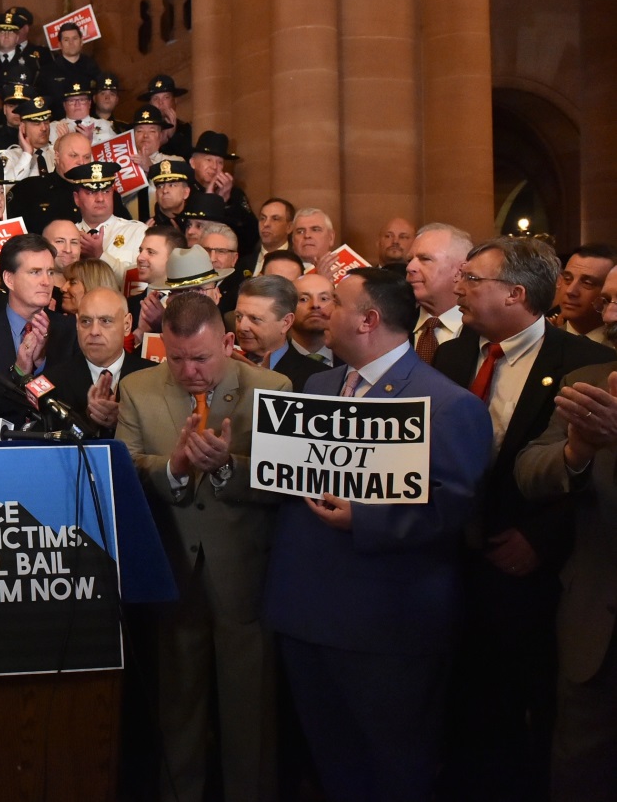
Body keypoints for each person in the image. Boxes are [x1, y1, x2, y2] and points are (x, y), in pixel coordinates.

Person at [264, 267, 492, 802]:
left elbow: (456, 504)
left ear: (368, 319)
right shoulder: (317, 386)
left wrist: (364, 518)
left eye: (334, 303)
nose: (317, 311)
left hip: (386, 627)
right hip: (305, 614)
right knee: (330, 763)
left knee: (392, 768)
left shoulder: (447, 404)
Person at [431, 236, 616, 800]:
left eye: (472, 279)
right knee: (466, 699)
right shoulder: (457, 352)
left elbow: (590, 481)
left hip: (535, 570)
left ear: (514, 293)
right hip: (456, 555)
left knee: (534, 710)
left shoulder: (583, 361)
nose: (458, 288)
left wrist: (540, 539)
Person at [115, 291, 289, 802]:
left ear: (228, 342)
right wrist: (174, 468)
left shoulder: (273, 387)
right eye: (176, 358)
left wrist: (227, 466)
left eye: (202, 357)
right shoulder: (138, 389)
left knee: (248, 715)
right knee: (177, 710)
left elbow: (285, 481)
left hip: (245, 578)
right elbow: (123, 468)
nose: (189, 370)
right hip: (172, 575)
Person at [513, 349, 617, 802]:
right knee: (580, 774)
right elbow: (530, 470)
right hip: (597, 625)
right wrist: (578, 450)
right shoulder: (588, 384)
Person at [0, 233, 79, 426]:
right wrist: (19, 371)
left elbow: (76, 400)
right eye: (35, 272)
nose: (46, 281)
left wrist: (41, 365)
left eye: (50, 272)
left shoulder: (71, 331)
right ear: (9, 279)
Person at [48, 286, 154, 437]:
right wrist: (88, 420)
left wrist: (125, 421)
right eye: (86, 321)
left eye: (105, 321)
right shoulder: (53, 382)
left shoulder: (153, 377)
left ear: (127, 325)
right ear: (77, 323)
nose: (94, 331)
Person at [232, 275, 328, 390]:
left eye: (254, 319)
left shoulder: (317, 378)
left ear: (286, 322)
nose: (242, 327)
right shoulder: (226, 368)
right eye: (239, 316)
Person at [406, 222, 471, 362]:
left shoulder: (487, 332)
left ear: (460, 271)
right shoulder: (394, 326)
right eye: (409, 259)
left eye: (425, 259)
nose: (410, 267)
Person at [552, 244, 617, 344]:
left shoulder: (613, 347)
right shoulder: (542, 342)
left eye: (587, 283)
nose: (570, 291)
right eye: (567, 279)